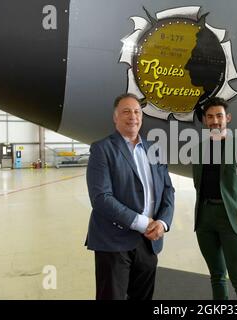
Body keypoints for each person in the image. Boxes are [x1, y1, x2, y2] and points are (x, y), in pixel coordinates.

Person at [85, 93, 175, 300]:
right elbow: (101, 198)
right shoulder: (102, 149)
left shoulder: (154, 149)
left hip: (149, 242)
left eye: (136, 112)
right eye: (126, 111)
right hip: (113, 241)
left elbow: (168, 190)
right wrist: (143, 223)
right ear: (115, 118)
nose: (132, 116)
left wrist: (162, 222)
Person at [192, 97, 237, 300]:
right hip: (204, 218)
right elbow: (198, 183)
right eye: (210, 116)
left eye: (219, 116)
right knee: (217, 276)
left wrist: (234, 206)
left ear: (227, 118)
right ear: (205, 120)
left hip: (230, 217)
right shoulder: (198, 149)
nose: (215, 121)